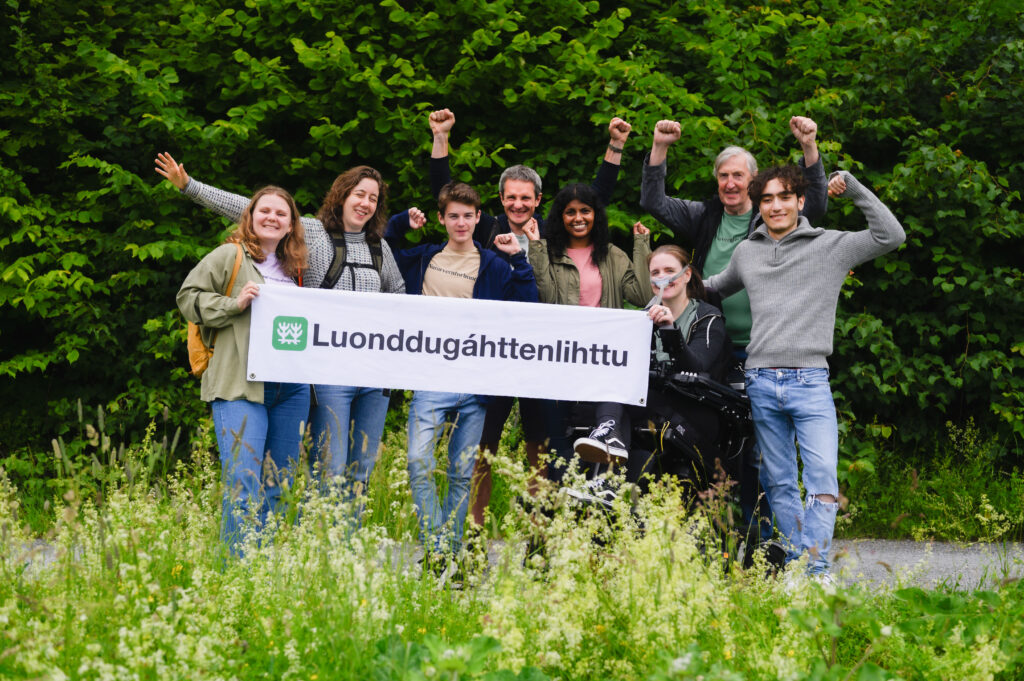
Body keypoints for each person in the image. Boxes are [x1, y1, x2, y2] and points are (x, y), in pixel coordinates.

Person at [156, 155, 404, 508]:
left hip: (366, 371)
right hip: (326, 369)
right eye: (358, 194)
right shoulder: (312, 233)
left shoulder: (379, 247)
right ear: (342, 195)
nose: (365, 203)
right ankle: (318, 545)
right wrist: (190, 186)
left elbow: (400, 297)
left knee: (354, 470)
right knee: (328, 468)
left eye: (373, 198)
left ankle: (347, 553)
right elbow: (253, 208)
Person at [425, 109, 634, 527]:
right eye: (511, 197)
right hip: (493, 356)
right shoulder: (484, 230)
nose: (518, 204)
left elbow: (596, 199)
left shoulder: (553, 235)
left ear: (538, 201)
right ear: (500, 200)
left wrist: (615, 147)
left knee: (541, 449)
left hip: (544, 360)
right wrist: (440, 137)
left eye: (526, 198)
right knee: (484, 448)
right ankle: (474, 530)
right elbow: (443, 192)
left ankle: (539, 532)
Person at [705, 166, 905, 577]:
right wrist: (660, 281)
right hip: (760, 380)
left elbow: (892, 235)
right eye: (767, 199)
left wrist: (853, 189)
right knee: (778, 484)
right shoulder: (748, 252)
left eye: (784, 197)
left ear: (800, 201)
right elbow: (710, 288)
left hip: (810, 380)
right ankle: (802, 569)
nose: (776, 206)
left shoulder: (830, 246)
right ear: (759, 206)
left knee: (822, 480)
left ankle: (816, 572)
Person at [638, 116, 829, 539]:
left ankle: (761, 539)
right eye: (723, 176)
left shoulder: (771, 217)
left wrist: (810, 148)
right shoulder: (704, 216)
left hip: (768, 351)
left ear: (754, 180)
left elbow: (814, 204)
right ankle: (723, 535)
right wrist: (659, 148)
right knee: (718, 445)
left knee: (758, 453)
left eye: (738, 175)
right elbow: (654, 201)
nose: (729, 183)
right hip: (711, 348)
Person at [385, 182, 538, 561]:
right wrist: (403, 222)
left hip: (475, 382)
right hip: (429, 378)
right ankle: (439, 543)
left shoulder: (494, 264)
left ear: (478, 218)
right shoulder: (423, 257)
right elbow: (383, 247)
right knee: (418, 463)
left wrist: (518, 259)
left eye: (468, 216)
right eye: (453, 215)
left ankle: (448, 555)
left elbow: (528, 303)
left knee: (460, 473)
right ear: (441, 219)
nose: (460, 223)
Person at [176, 186, 310, 554]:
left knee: (278, 485)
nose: (272, 218)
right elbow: (188, 298)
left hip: (290, 390)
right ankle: (236, 573)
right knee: (243, 481)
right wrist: (235, 304)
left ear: (291, 226)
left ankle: (264, 572)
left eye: (281, 214)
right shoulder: (229, 256)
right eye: (264, 211)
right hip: (239, 386)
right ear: (250, 217)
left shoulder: (296, 269)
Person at [568, 243, 733, 505]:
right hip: (650, 400)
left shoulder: (708, 317)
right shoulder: (642, 317)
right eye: (655, 272)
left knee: (625, 394)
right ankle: (606, 477)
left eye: (669, 270)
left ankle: (608, 478)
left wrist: (669, 329)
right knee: (603, 393)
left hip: (696, 406)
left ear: (686, 275)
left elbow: (697, 366)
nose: (662, 277)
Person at [523, 183, 649, 481]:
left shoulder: (613, 255)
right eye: (570, 212)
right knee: (557, 439)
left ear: (596, 215)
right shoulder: (549, 252)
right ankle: (561, 505)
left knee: (601, 435)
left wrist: (642, 246)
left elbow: (642, 296)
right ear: (560, 217)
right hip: (559, 358)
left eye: (585, 211)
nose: (578, 218)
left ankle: (596, 502)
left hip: (602, 359)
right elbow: (543, 297)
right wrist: (536, 248)